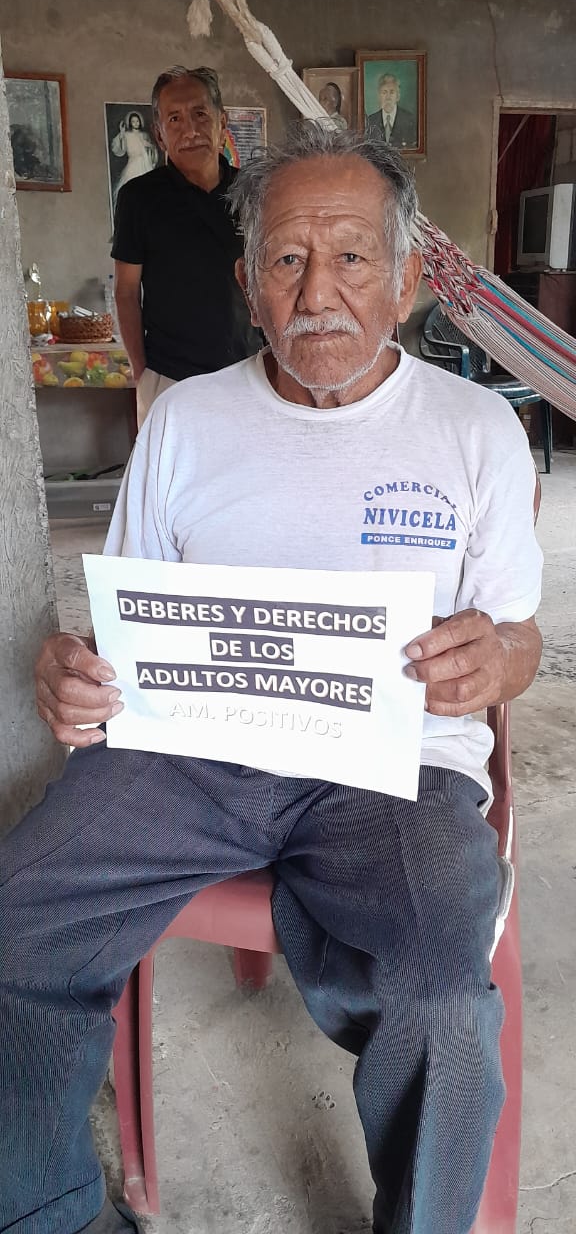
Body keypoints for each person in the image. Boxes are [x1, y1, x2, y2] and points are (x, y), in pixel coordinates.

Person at [1, 122, 543, 1234]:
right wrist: (78, 670)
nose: (318, 292)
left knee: (442, 998)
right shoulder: (186, 421)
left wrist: (499, 658)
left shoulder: (476, 428)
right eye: (288, 259)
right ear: (249, 286)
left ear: (404, 282)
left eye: (351, 257)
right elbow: (127, 625)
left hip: (396, 766)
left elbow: (521, 638)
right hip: (192, 754)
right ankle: (46, 1210)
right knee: (17, 918)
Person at [112, 65, 261, 426]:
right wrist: (143, 374)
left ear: (222, 122)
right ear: (159, 135)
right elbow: (126, 292)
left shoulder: (254, 192)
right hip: (171, 377)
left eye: (200, 114)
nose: (190, 130)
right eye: (175, 119)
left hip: (250, 373)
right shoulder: (139, 199)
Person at [110, 111, 158, 208]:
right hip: (133, 163)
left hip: (145, 163)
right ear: (130, 123)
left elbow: (152, 149)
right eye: (133, 121)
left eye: (137, 121)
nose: (135, 123)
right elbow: (122, 150)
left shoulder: (144, 135)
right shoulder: (127, 135)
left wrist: (149, 146)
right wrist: (122, 133)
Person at [366, 73, 417, 149]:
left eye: (392, 92)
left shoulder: (409, 120)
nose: (388, 97)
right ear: (379, 96)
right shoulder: (371, 120)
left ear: (398, 96)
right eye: (384, 92)